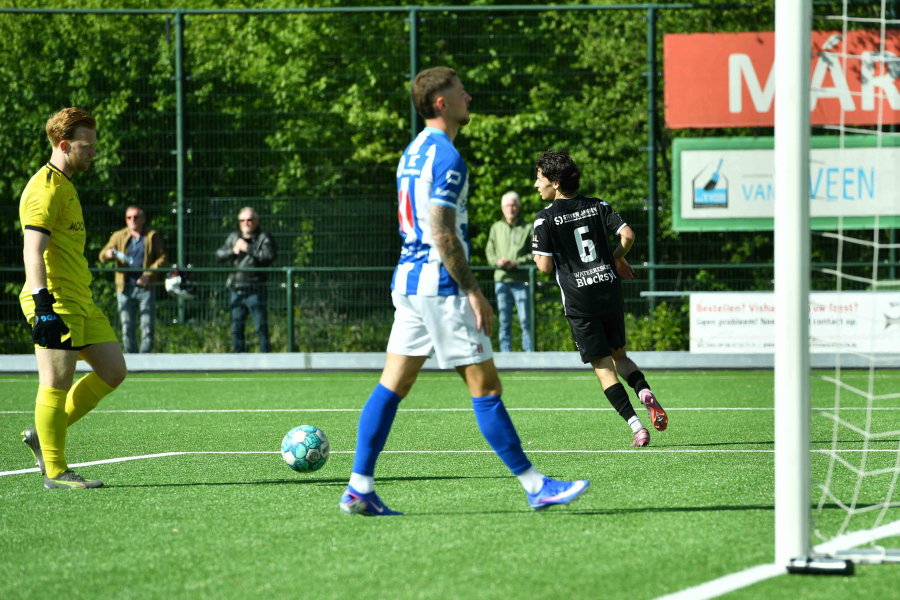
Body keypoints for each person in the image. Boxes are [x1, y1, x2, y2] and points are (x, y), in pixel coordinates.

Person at [339, 67, 590, 517]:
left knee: (392, 386)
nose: (468, 97)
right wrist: (473, 290)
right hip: (441, 286)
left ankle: (359, 486)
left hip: (409, 281)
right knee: (485, 387)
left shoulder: (412, 152)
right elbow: (442, 232)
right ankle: (536, 486)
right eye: (461, 91)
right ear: (441, 102)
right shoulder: (447, 157)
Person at [18, 107, 127, 489]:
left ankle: (45, 431)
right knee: (56, 381)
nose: (94, 152)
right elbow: (32, 250)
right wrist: (43, 305)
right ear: (64, 145)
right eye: (87, 146)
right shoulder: (44, 189)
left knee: (113, 371)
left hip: (81, 298)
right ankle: (54, 470)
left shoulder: (66, 184)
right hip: (55, 300)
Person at [531, 151, 667, 447]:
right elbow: (628, 235)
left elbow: (544, 267)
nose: (536, 185)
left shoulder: (545, 218)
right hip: (609, 290)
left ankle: (637, 428)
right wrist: (617, 258)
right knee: (621, 357)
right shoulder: (598, 205)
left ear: (555, 183)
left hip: (579, 300)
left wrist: (539, 252)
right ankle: (643, 390)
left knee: (604, 369)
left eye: (540, 179)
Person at [99, 206, 167, 353]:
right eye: (129, 217)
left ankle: (145, 358)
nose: (132, 220)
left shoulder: (151, 236)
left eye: (136, 217)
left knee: (147, 325)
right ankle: (131, 357)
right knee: (127, 325)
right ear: (126, 220)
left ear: (143, 219)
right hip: (124, 287)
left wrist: (148, 274)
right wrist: (109, 254)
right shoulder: (118, 236)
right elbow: (102, 255)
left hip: (146, 287)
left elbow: (162, 258)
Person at [215, 207, 277, 353]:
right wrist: (233, 250)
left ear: (256, 221)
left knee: (260, 326)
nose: (246, 223)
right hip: (237, 289)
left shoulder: (264, 237)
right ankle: (239, 358)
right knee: (236, 327)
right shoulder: (234, 237)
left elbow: (269, 256)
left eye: (249, 220)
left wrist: (248, 248)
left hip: (256, 289)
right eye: (242, 220)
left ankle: (265, 357)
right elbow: (219, 255)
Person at [485, 191, 533, 352]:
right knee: (504, 320)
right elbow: (489, 251)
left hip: (522, 279)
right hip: (501, 279)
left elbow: (535, 253)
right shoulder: (496, 227)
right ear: (502, 207)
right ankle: (505, 355)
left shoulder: (528, 227)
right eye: (507, 205)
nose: (510, 209)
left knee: (526, 320)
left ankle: (529, 354)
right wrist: (497, 261)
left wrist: (517, 263)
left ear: (518, 207)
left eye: (513, 205)